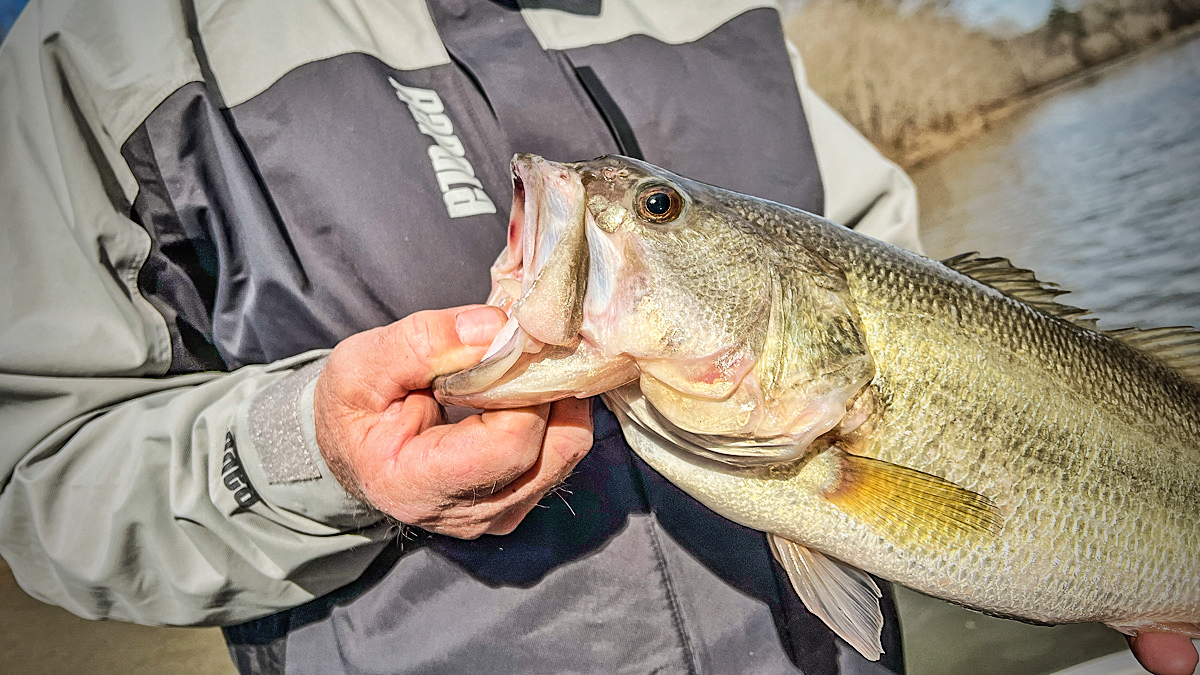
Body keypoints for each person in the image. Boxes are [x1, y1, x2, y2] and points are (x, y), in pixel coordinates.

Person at [0, 1, 1192, 674]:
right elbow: (42, 483)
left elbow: (888, 268)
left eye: (658, 206)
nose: (598, 203)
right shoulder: (91, 44)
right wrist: (310, 453)